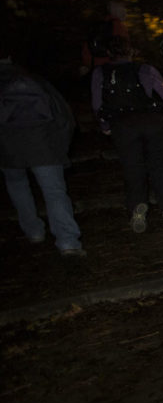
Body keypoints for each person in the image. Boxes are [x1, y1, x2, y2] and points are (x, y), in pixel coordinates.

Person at [90, 36, 163, 233]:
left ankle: (137, 208)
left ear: (109, 54)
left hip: (123, 125)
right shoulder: (145, 69)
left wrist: (104, 124)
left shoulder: (100, 73)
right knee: (158, 164)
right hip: (152, 122)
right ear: (131, 52)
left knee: (132, 168)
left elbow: (97, 104)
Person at [1, 56, 85, 256]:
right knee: (54, 192)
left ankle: (34, 231)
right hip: (43, 145)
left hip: (7, 147)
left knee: (17, 186)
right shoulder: (35, 81)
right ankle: (67, 241)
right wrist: (60, 147)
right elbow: (64, 115)